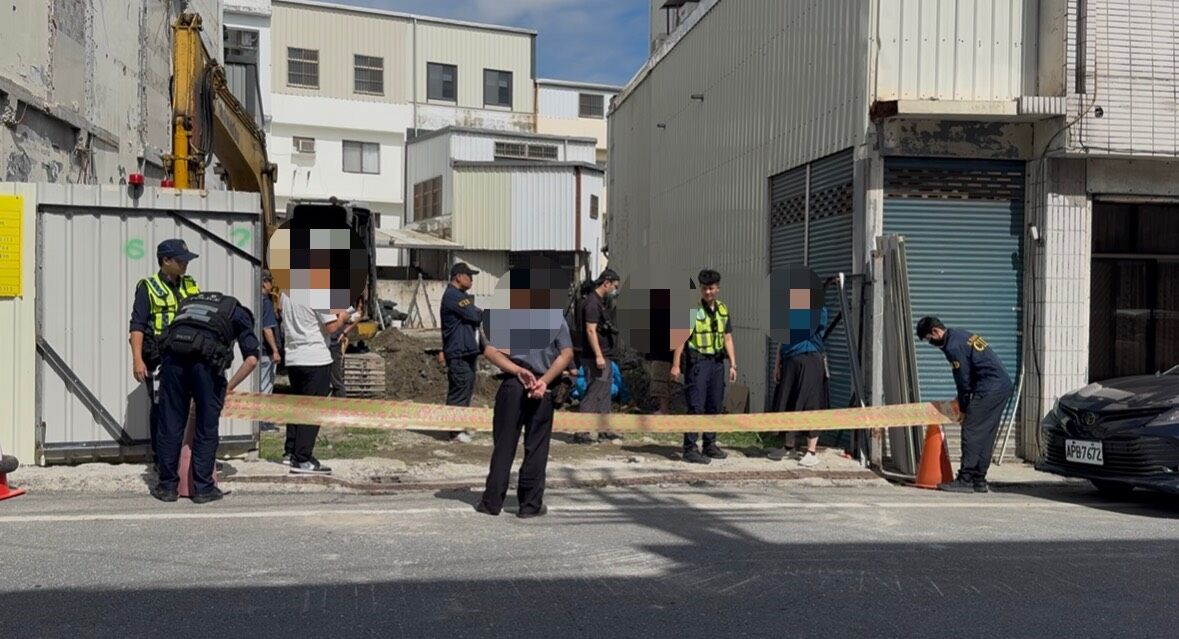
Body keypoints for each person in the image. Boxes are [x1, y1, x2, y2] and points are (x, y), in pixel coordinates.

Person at [150, 292, 259, 503]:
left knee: (170, 424)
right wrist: (229, 387)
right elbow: (252, 360)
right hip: (206, 364)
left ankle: (167, 487)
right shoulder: (240, 314)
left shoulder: (190, 302)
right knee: (206, 427)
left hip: (173, 360)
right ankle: (203, 489)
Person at [475, 312, 574, 519]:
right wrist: (545, 380)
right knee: (537, 447)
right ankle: (530, 505)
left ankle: (491, 502)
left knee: (504, 444)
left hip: (513, 384)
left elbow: (490, 352)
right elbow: (566, 355)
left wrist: (517, 370)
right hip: (542, 387)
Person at [916, 316, 1013, 493]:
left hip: (989, 388)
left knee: (971, 429)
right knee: (986, 432)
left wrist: (963, 407)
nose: (932, 343)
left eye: (930, 339)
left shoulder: (953, 346)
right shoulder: (959, 335)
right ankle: (979, 480)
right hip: (1001, 385)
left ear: (936, 332)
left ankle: (966, 479)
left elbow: (963, 381)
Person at [128, 239, 201, 465]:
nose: (185, 265)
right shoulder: (147, 287)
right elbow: (137, 326)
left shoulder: (190, 284)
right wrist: (137, 360)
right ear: (165, 261)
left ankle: (184, 456)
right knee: (162, 408)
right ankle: (162, 459)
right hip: (160, 357)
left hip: (189, 354)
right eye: (181, 261)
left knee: (188, 406)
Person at [280, 291, 353, 474]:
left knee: (297, 406)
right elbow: (331, 327)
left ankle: (290, 451)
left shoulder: (286, 294)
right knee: (312, 410)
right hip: (315, 358)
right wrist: (343, 317)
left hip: (294, 357)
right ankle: (303, 458)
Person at [672, 269, 737, 464]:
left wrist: (733, 364)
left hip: (717, 364)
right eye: (704, 288)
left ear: (717, 289)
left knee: (714, 405)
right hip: (698, 364)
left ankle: (709, 444)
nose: (707, 292)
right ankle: (690, 448)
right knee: (696, 406)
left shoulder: (723, 310)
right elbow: (680, 339)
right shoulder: (692, 311)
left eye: (711, 288)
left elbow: (728, 338)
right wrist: (676, 365)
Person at [766, 305, 829, 467]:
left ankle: (811, 451)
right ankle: (788, 446)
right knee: (788, 401)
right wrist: (777, 363)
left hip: (809, 358)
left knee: (810, 404)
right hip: (789, 359)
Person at [573, 268, 622, 444]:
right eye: (614, 286)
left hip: (604, 354)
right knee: (593, 392)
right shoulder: (592, 303)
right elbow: (590, 330)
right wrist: (599, 355)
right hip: (595, 357)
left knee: (604, 393)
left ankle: (604, 429)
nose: (614, 290)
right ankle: (582, 431)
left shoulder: (599, 302)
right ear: (606, 283)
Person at [438, 263, 483, 443]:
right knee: (459, 391)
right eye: (468, 276)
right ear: (458, 276)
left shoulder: (460, 297)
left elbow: (475, 313)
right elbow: (475, 315)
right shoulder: (453, 296)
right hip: (458, 353)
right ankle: (454, 431)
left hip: (466, 352)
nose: (471, 280)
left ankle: (460, 426)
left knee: (466, 390)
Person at [259, 271, 282, 432]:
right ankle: (263, 421)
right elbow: (267, 328)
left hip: (256, 349)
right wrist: (275, 350)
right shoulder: (265, 302)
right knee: (265, 386)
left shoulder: (255, 299)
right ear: (264, 282)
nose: (271, 286)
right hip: (266, 351)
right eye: (270, 282)